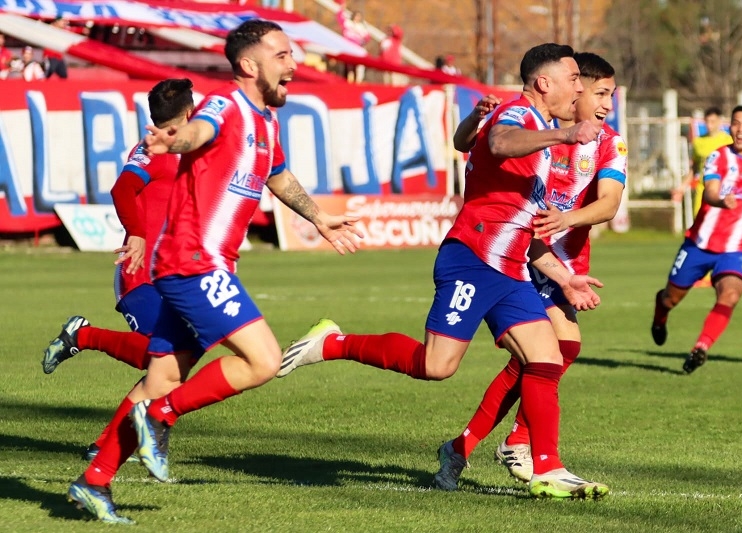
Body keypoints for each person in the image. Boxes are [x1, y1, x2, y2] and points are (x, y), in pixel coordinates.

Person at [277, 43, 610, 500]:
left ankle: (547, 468)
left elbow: (517, 216)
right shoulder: (519, 117)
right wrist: (565, 137)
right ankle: (333, 343)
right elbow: (497, 142)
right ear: (544, 83)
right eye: (574, 79)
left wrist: (562, 274)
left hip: (511, 269)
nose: (580, 87)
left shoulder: (540, 128)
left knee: (547, 360)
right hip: (473, 260)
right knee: (436, 366)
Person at [66, 19, 363, 524]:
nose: (294, 65)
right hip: (193, 260)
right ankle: (161, 417)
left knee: (159, 377)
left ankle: (93, 482)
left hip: (206, 262)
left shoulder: (267, 122)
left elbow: (278, 175)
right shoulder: (225, 105)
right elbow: (198, 132)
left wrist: (318, 217)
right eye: (283, 56)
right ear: (250, 65)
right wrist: (174, 142)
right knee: (264, 360)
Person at [435, 52, 627, 485]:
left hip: (561, 255)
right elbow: (475, 143)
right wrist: (474, 120)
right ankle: (522, 448)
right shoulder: (527, 122)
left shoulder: (608, 141)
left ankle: (478, 445)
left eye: (607, 95)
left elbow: (610, 203)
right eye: (598, 92)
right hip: (517, 250)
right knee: (543, 356)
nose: (604, 103)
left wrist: (569, 220)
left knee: (554, 355)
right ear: (569, 90)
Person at [43, 78, 196, 464]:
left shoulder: (190, 152)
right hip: (139, 270)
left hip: (175, 274)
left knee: (177, 358)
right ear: (189, 113)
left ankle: (109, 442)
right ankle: (86, 336)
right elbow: (122, 190)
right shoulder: (154, 151)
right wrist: (138, 235)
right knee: (160, 357)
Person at [651, 105, 742, 374]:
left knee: (731, 294)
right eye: (736, 123)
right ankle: (660, 312)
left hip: (735, 250)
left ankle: (701, 347)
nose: (740, 129)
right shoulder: (719, 157)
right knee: (671, 298)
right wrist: (721, 200)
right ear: (730, 128)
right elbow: (710, 191)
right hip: (699, 244)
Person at [673, 107, 733, 287]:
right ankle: (703, 275)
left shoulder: (727, 141)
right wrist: (682, 187)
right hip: (703, 193)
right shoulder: (699, 143)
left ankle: (721, 272)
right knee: (701, 232)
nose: (710, 124)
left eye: (713, 121)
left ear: (720, 122)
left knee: (721, 232)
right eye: (707, 121)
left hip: (723, 193)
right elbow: (694, 169)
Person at [336, 1, 370, 83]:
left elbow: (367, 37)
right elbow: (340, 18)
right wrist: (342, 8)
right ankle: (345, 81)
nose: (357, 18)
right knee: (346, 65)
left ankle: (354, 82)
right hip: (347, 47)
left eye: (359, 17)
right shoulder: (348, 24)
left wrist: (362, 42)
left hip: (356, 48)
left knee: (355, 65)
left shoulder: (361, 27)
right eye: (356, 16)